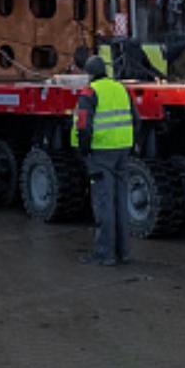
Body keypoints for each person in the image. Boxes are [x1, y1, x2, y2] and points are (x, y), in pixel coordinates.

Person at [72, 54, 135, 267]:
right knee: (120, 202)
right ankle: (123, 252)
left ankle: (104, 254)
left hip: (101, 153)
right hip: (122, 151)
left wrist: (83, 150)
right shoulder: (121, 89)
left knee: (103, 203)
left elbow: (83, 124)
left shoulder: (90, 92)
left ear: (89, 74)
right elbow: (136, 120)